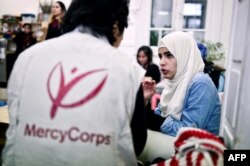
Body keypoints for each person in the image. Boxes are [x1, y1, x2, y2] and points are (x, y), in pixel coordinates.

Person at [2, 0, 148, 165]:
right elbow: (137, 143)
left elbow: (16, 123)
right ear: (115, 26)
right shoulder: (127, 69)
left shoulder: (27, 58)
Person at [144, 31, 221, 137]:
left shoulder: (201, 83)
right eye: (160, 56)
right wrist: (145, 101)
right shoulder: (175, 82)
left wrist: (150, 117)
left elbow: (189, 132)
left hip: (200, 148)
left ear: (184, 55)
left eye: (169, 55)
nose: (161, 62)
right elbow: (159, 115)